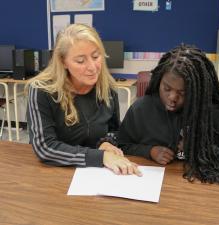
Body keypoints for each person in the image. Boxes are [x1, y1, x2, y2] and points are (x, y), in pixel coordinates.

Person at [26, 23, 141, 176]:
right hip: (54, 173)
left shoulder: (108, 89)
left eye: (95, 56)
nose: (92, 67)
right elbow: (45, 147)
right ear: (63, 62)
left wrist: (106, 143)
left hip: (95, 174)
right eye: (80, 61)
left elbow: (114, 130)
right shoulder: (41, 91)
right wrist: (101, 157)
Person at [118, 44, 219, 184]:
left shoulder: (213, 113)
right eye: (167, 88)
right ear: (158, 81)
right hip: (154, 185)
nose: (172, 97)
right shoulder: (141, 109)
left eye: (183, 93)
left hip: (203, 188)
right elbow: (122, 145)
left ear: (197, 90)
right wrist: (150, 151)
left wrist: (199, 149)